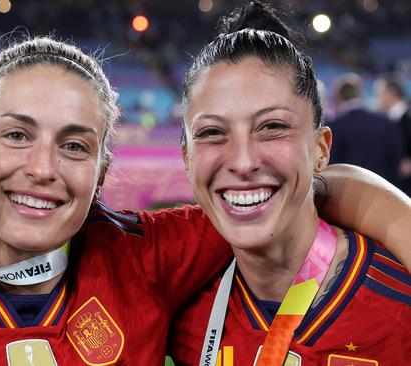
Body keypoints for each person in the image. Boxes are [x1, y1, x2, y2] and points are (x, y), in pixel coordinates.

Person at [0, 36, 410, 365]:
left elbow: (281, 189)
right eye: (16, 136)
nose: (43, 169)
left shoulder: (145, 257)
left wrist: (399, 222)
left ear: (100, 174)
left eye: (75, 146)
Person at [168, 2, 410, 365]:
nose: (243, 161)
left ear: (320, 149)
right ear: (187, 159)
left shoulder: (399, 309)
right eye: (212, 132)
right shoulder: (175, 308)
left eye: (272, 127)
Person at [329, 72, 404, 187]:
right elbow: (396, 159)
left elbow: (331, 167)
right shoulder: (384, 122)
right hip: (384, 191)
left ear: (338, 98)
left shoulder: (335, 127)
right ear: (360, 94)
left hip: (348, 195)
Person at [375, 72, 411, 196]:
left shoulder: (407, 116)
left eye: (380, 93)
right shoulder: (385, 119)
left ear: (391, 93)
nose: (377, 98)